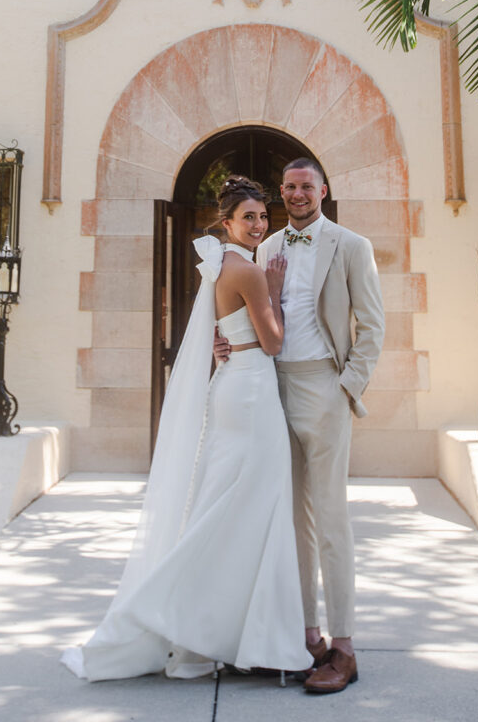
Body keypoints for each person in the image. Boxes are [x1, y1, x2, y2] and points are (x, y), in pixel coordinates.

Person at [62, 175, 312, 681]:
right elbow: (273, 343)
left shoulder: (221, 265)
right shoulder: (253, 272)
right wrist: (277, 292)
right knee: (256, 509)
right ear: (228, 222)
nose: (260, 224)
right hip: (253, 393)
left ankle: (215, 629)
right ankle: (178, 609)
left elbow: (221, 332)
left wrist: (234, 335)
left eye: (264, 216)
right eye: (250, 217)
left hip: (230, 387)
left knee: (225, 503)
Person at [215, 158, 385, 694]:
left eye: (305, 186)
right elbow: (251, 314)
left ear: (322, 190)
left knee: (331, 518)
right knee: (290, 520)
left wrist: (345, 388)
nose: (296, 194)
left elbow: (373, 327)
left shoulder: (352, 246)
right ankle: (306, 638)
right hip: (270, 386)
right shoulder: (265, 248)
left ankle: (345, 647)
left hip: (324, 388)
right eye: (288, 187)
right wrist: (227, 342)